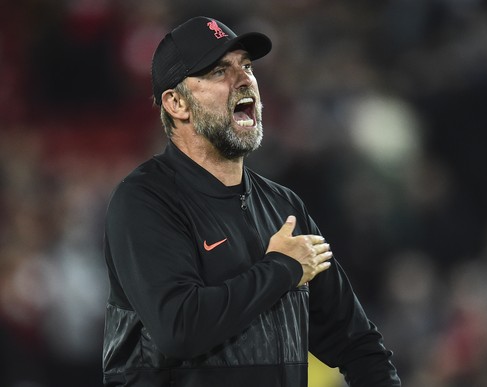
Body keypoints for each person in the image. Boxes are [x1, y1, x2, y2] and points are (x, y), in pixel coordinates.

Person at [102, 16, 401, 387]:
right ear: (176, 103)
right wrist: (282, 269)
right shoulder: (145, 201)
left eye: (246, 65)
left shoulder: (283, 207)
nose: (244, 79)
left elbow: (358, 343)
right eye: (217, 72)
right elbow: (179, 328)